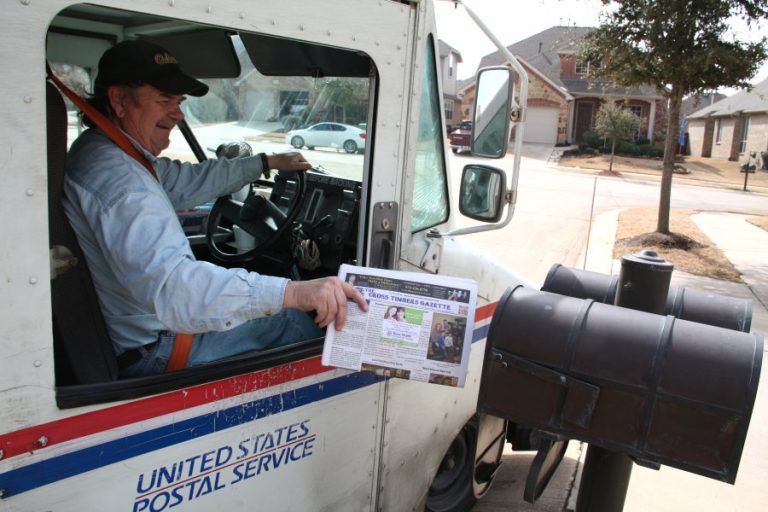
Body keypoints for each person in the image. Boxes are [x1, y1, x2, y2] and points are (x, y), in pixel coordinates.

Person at [62, 39, 366, 377]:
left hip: (134, 334)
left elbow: (183, 180)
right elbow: (176, 289)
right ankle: (337, 393)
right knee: (292, 321)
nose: (177, 114)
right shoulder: (121, 183)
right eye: (164, 101)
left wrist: (263, 161)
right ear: (119, 100)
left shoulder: (105, 152)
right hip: (158, 350)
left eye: (179, 102)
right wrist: (293, 291)